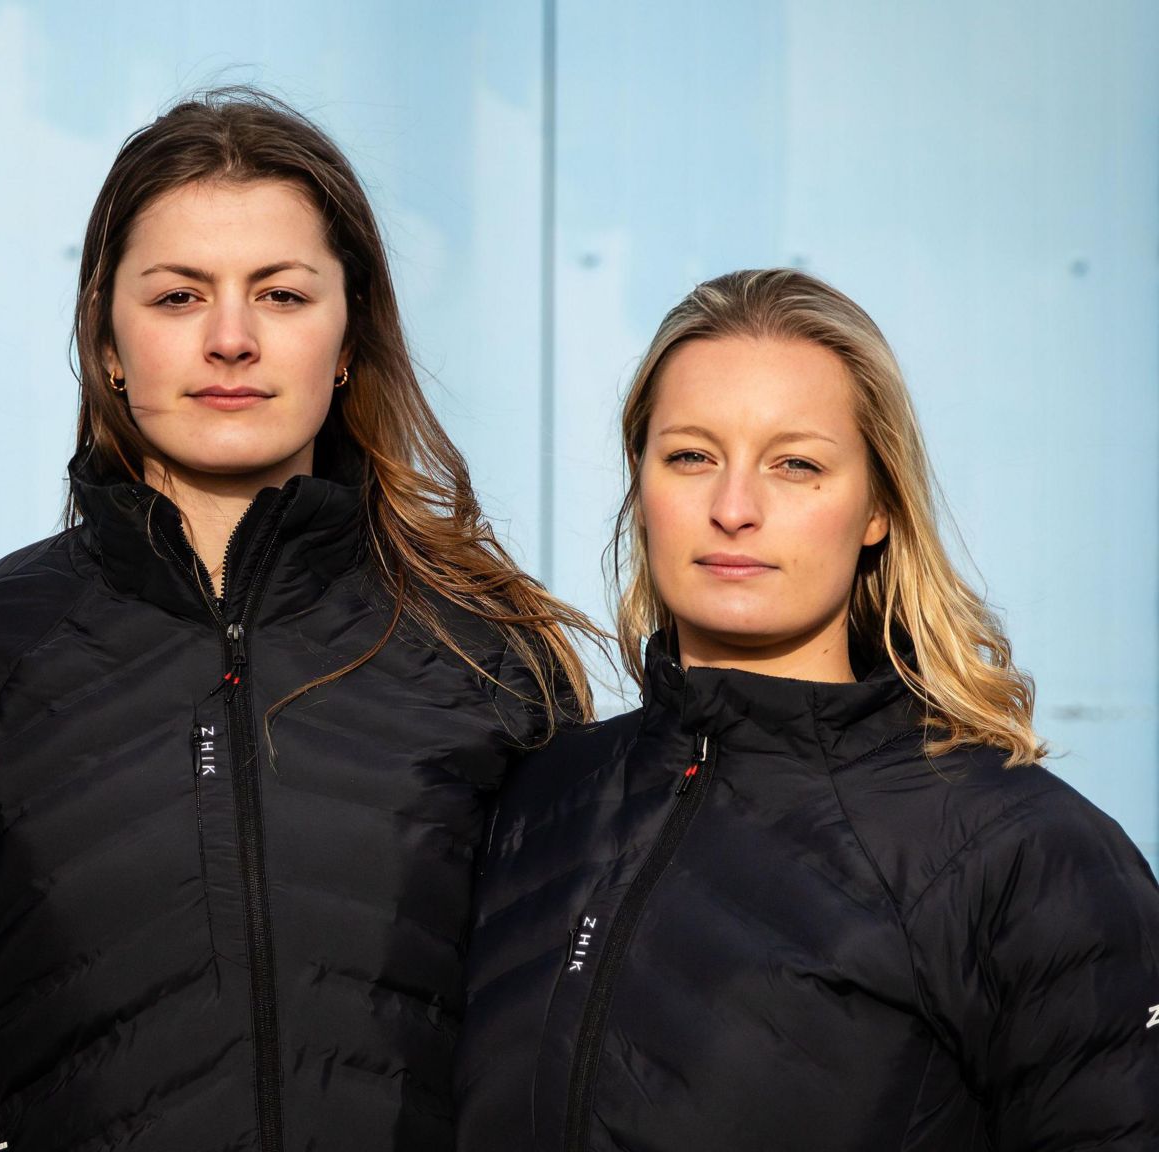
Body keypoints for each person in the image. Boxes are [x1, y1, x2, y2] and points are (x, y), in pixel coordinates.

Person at [0, 89, 594, 1151]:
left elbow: (566, 1050)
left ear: (347, 341)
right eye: (177, 298)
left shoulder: (485, 655)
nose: (231, 340)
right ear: (106, 337)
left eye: (282, 296)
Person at [456, 268, 1159, 1151]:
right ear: (641, 492)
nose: (734, 508)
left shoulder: (1023, 851)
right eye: (691, 456)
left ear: (877, 507)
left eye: (797, 464)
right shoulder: (536, 802)